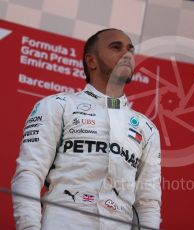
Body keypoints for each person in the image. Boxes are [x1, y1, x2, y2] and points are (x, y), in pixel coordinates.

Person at [11, 28, 161, 230]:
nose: (127, 55)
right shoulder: (58, 105)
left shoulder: (146, 128)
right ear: (91, 61)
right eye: (116, 47)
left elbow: (147, 203)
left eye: (130, 50)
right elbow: (29, 173)